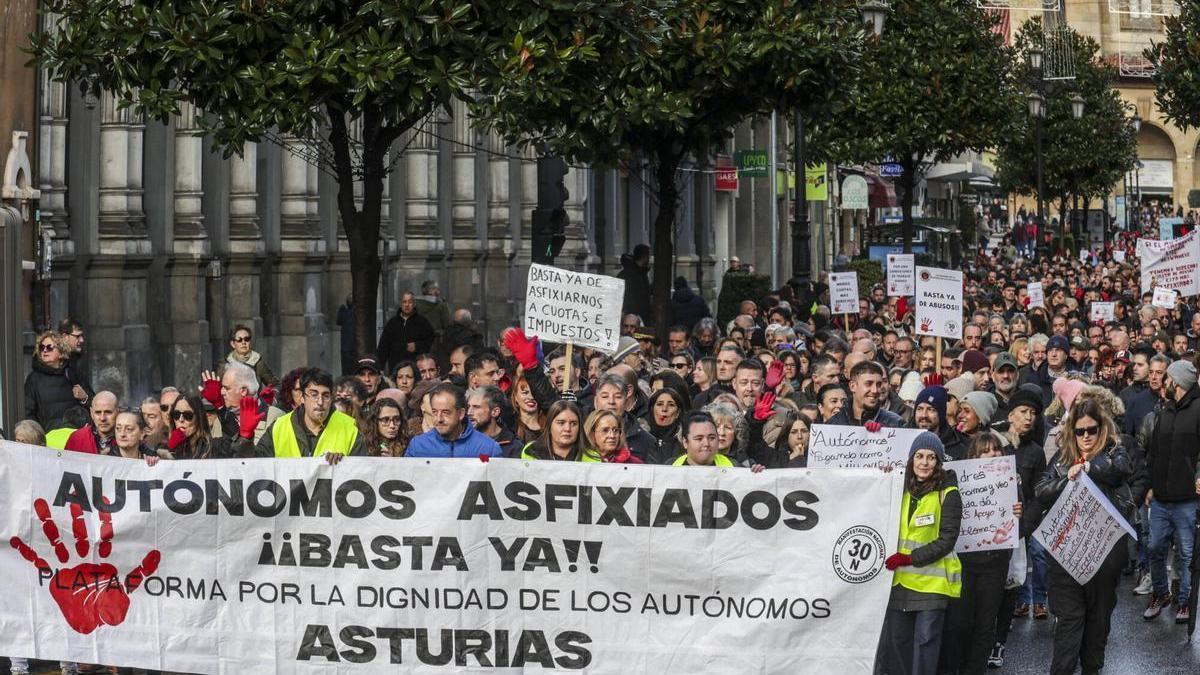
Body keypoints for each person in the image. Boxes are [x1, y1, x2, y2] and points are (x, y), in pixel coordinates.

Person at [1036, 399, 1133, 675]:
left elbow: (1123, 470)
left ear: (1101, 428)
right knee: (1068, 628)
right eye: (1080, 431)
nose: (1086, 436)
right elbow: (1041, 490)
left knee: (1096, 631)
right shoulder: (1063, 457)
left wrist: (1090, 467)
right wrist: (1067, 478)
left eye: (1092, 429)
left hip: (1104, 558)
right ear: (1072, 432)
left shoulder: (1115, 451)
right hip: (1067, 558)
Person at [880, 431, 962, 675]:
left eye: (931, 457)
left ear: (938, 462)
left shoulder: (947, 493)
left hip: (931, 585)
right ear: (911, 459)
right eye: (919, 456)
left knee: (925, 645)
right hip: (898, 584)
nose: (924, 463)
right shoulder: (899, 489)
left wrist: (909, 559)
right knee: (898, 644)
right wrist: (881, 478)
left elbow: (947, 539)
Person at [939, 433, 1022, 675]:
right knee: (960, 622)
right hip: (963, 561)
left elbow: (1021, 526)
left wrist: (1019, 514)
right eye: (987, 451)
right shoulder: (957, 478)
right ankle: (957, 667)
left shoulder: (1010, 480)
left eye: (997, 450)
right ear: (974, 456)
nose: (994, 454)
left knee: (986, 624)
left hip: (995, 563)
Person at [1142, 359, 1200, 623]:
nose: (1164, 381)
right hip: (1161, 497)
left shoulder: (1199, 409)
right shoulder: (1164, 409)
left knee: (1186, 553)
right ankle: (1161, 593)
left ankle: (1185, 601)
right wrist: (1150, 485)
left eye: (1167, 377)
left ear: (1177, 382)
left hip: (1187, 498)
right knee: (1154, 547)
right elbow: (1154, 452)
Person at [255, 369, 365, 458]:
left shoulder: (351, 428)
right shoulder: (279, 427)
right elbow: (253, 468)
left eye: (326, 395)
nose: (320, 402)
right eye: (314, 394)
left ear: (332, 398)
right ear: (302, 397)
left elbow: (362, 475)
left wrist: (345, 464)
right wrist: (245, 439)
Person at [406, 383, 502, 458]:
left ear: (461, 414)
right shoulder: (418, 446)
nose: (439, 419)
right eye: (435, 412)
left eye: (445, 412)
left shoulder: (488, 448)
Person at [23, 330, 89, 430]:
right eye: (41, 347)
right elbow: (28, 413)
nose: (44, 351)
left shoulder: (72, 373)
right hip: (49, 438)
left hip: (73, 436)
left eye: (49, 347)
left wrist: (84, 398)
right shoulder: (34, 379)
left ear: (61, 351)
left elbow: (94, 404)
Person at [826, 361, 904, 428]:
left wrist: (885, 434)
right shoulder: (833, 425)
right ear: (852, 386)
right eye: (868, 384)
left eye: (878, 384)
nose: (875, 390)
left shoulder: (896, 423)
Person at [377, 292, 436, 372]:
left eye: (410, 302)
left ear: (414, 304)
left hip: (417, 369)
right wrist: (380, 369)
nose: (407, 305)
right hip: (396, 370)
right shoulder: (392, 323)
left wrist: (417, 346)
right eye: (404, 302)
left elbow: (432, 342)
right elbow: (383, 347)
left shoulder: (423, 322)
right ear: (400, 304)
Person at [520, 400, 586, 461]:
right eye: (561, 423)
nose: (567, 429)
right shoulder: (531, 451)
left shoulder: (591, 458)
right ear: (549, 425)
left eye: (573, 424)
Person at [467, 385, 518, 456]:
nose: (469, 412)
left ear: (495, 412)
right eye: (469, 407)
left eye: (476, 407)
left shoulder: (514, 447)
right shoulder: (461, 441)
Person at [645, 388, 685, 465]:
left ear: (678, 413)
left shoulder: (685, 441)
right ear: (652, 409)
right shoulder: (642, 437)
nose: (664, 409)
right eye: (660, 404)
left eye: (671, 405)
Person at [617, 244, 652, 323]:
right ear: (644, 256)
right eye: (648, 255)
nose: (649, 258)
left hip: (639, 317)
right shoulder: (630, 274)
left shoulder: (641, 273)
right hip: (632, 319)